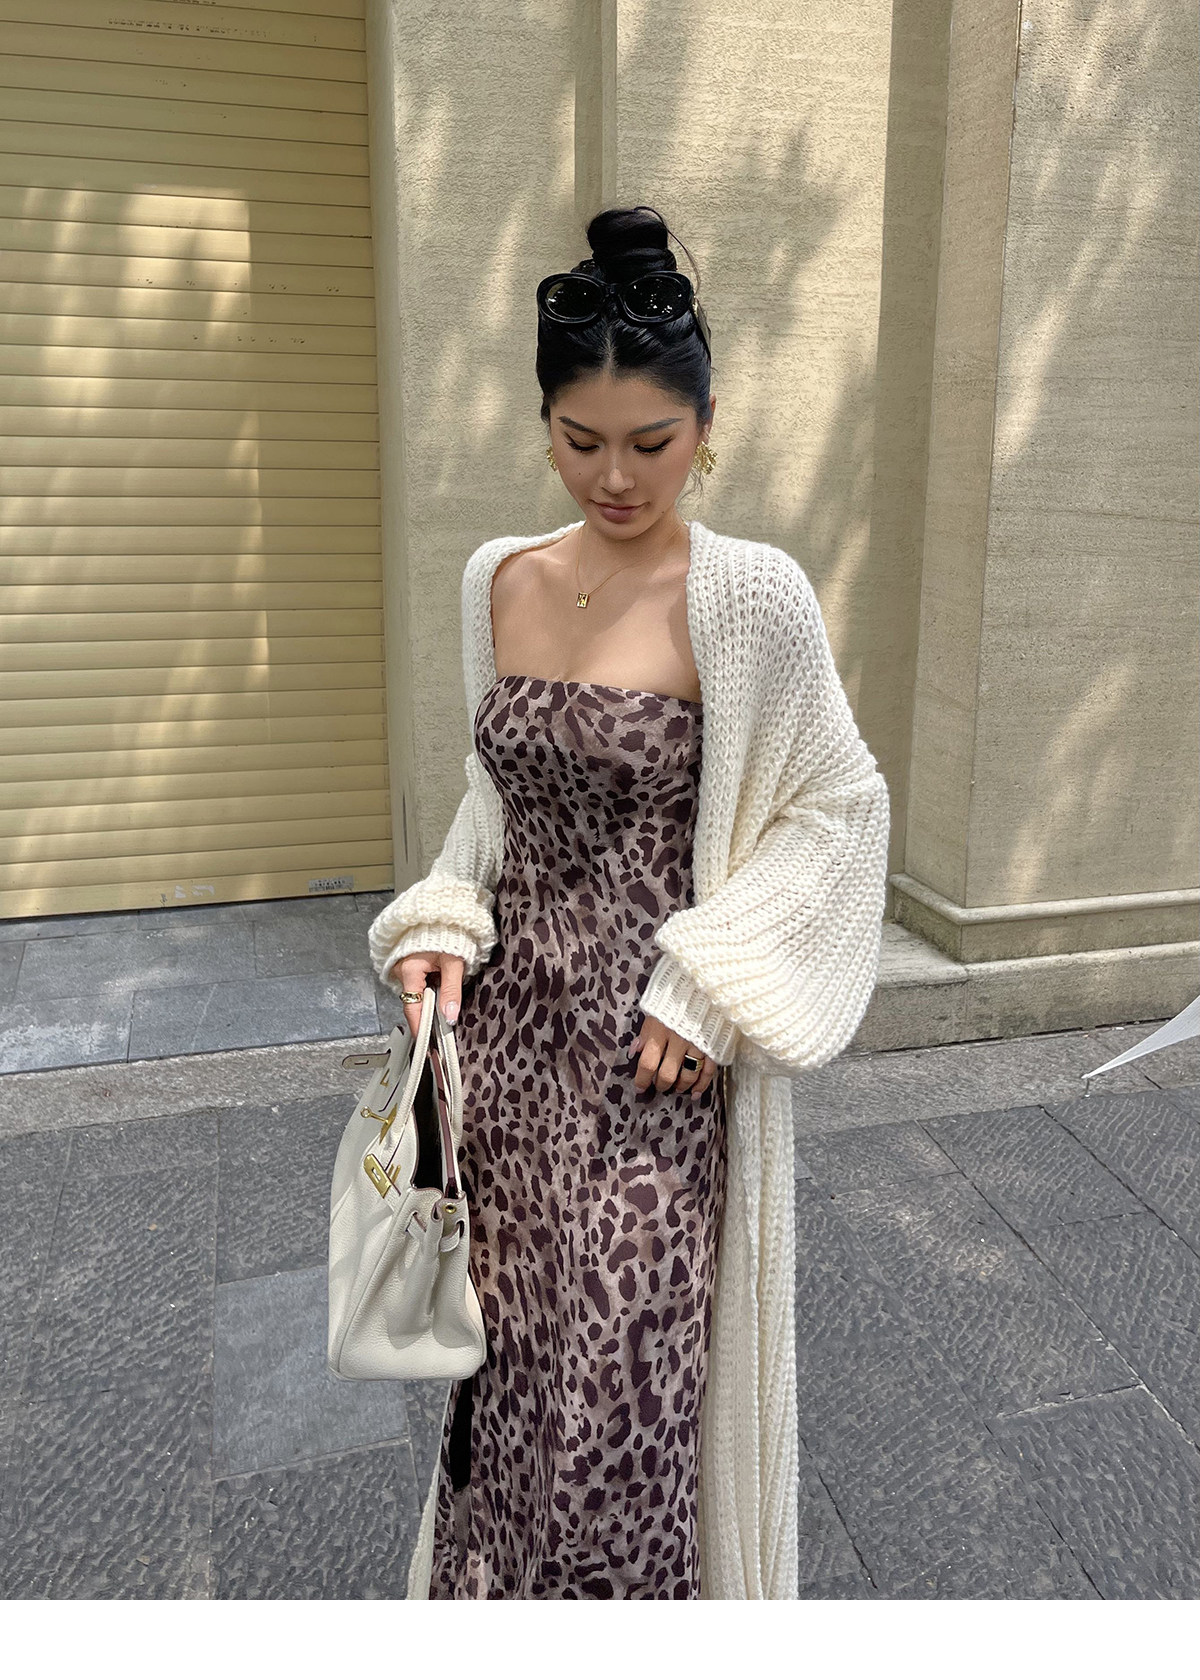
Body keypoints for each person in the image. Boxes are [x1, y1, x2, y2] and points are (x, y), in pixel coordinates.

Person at [367, 204, 891, 1599]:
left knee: (624, 1415)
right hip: (506, 1070)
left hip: (657, 1077)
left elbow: (841, 809)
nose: (614, 476)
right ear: (544, 423)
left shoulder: (752, 600)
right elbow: (493, 801)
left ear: (707, 426)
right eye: (579, 438)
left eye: (651, 444)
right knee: (505, 1390)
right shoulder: (497, 580)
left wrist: (713, 981)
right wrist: (439, 921)